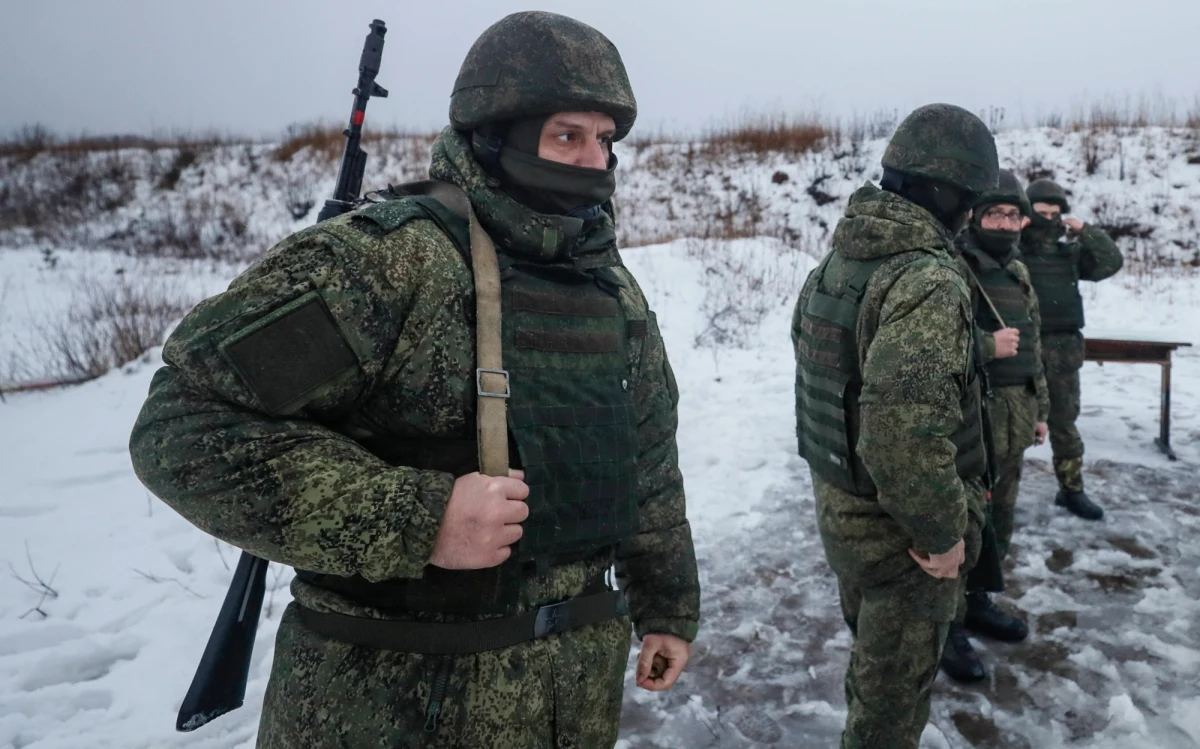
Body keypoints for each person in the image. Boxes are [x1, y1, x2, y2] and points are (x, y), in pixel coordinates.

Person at [129, 11, 700, 748]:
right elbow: (183, 425)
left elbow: (645, 456)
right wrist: (417, 517)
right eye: (568, 134)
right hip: (390, 712)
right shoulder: (388, 263)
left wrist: (667, 605)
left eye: (605, 139)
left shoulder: (607, 285)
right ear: (499, 132)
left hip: (572, 704)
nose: (594, 161)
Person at [792, 103, 995, 749]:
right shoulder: (926, 276)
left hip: (845, 514)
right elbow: (900, 433)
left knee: (872, 673)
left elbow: (821, 368)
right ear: (950, 193)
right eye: (969, 200)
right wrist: (942, 534)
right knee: (889, 710)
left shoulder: (839, 264)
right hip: (904, 539)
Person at [941, 170, 1047, 683]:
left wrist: (1041, 409)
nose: (1004, 223)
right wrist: (987, 347)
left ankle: (978, 599)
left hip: (1017, 414)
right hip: (973, 415)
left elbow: (1035, 349)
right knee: (964, 520)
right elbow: (928, 351)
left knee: (999, 516)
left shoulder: (1019, 273)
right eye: (994, 214)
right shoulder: (956, 269)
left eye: (1012, 214)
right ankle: (947, 622)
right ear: (976, 218)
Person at [1021, 178, 1123, 520]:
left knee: (1064, 426)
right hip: (1018, 353)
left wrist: (1087, 231)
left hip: (1062, 352)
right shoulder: (1010, 249)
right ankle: (996, 494)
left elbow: (1111, 262)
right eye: (1041, 212)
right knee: (1009, 427)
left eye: (1055, 213)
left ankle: (1071, 490)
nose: (1049, 219)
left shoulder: (1070, 254)